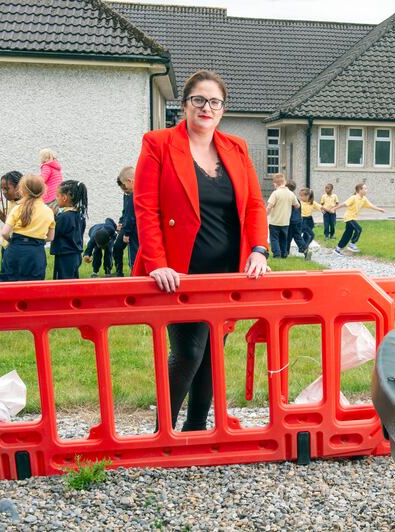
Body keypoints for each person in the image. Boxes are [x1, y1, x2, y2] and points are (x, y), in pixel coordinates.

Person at [133, 69, 269, 432]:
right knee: (190, 351)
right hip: (178, 273)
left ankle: (194, 431)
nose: (206, 107)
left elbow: (255, 204)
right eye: (199, 100)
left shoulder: (236, 148)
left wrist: (258, 249)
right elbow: (146, 208)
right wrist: (157, 264)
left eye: (214, 102)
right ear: (185, 104)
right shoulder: (158, 142)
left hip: (226, 271)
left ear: (222, 109)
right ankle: (163, 432)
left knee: (212, 355)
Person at [0, 174, 55, 281]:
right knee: (33, 287)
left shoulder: (17, 209)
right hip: (36, 252)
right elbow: (51, 237)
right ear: (43, 190)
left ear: (22, 191)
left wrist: (12, 241)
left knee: (9, 284)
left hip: (15, 249)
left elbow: (4, 233)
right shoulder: (48, 211)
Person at [333, 183, 385, 256]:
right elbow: (344, 204)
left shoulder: (363, 199)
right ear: (360, 190)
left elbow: (371, 205)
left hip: (352, 218)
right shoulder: (353, 198)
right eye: (365, 189)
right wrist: (335, 208)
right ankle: (352, 244)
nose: (366, 190)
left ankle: (337, 249)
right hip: (349, 218)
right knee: (359, 229)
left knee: (347, 235)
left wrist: (379, 209)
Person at [51, 180, 87, 279]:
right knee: (73, 283)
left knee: (62, 284)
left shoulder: (64, 217)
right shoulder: (80, 215)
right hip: (75, 255)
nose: (56, 199)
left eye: (57, 196)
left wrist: (52, 217)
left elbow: (54, 233)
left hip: (64, 255)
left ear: (65, 197)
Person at [112, 166, 138, 276]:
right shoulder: (128, 194)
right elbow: (125, 211)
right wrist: (121, 222)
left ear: (130, 181)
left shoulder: (135, 194)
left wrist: (126, 233)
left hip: (132, 228)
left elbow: (132, 215)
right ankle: (119, 271)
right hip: (127, 225)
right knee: (117, 247)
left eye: (125, 187)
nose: (125, 190)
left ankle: (134, 271)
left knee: (134, 251)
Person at [266, 173, 296, 259]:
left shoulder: (275, 193)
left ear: (275, 183)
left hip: (274, 222)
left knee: (274, 239)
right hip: (285, 222)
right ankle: (284, 254)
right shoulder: (291, 193)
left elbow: (269, 207)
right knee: (283, 239)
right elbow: (297, 205)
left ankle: (277, 254)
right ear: (284, 182)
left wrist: (265, 215)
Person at [285, 180, 311, 260]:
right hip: (298, 220)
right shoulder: (295, 197)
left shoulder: (289, 198)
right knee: (297, 236)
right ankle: (305, 250)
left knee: (288, 237)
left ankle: (286, 252)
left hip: (291, 221)